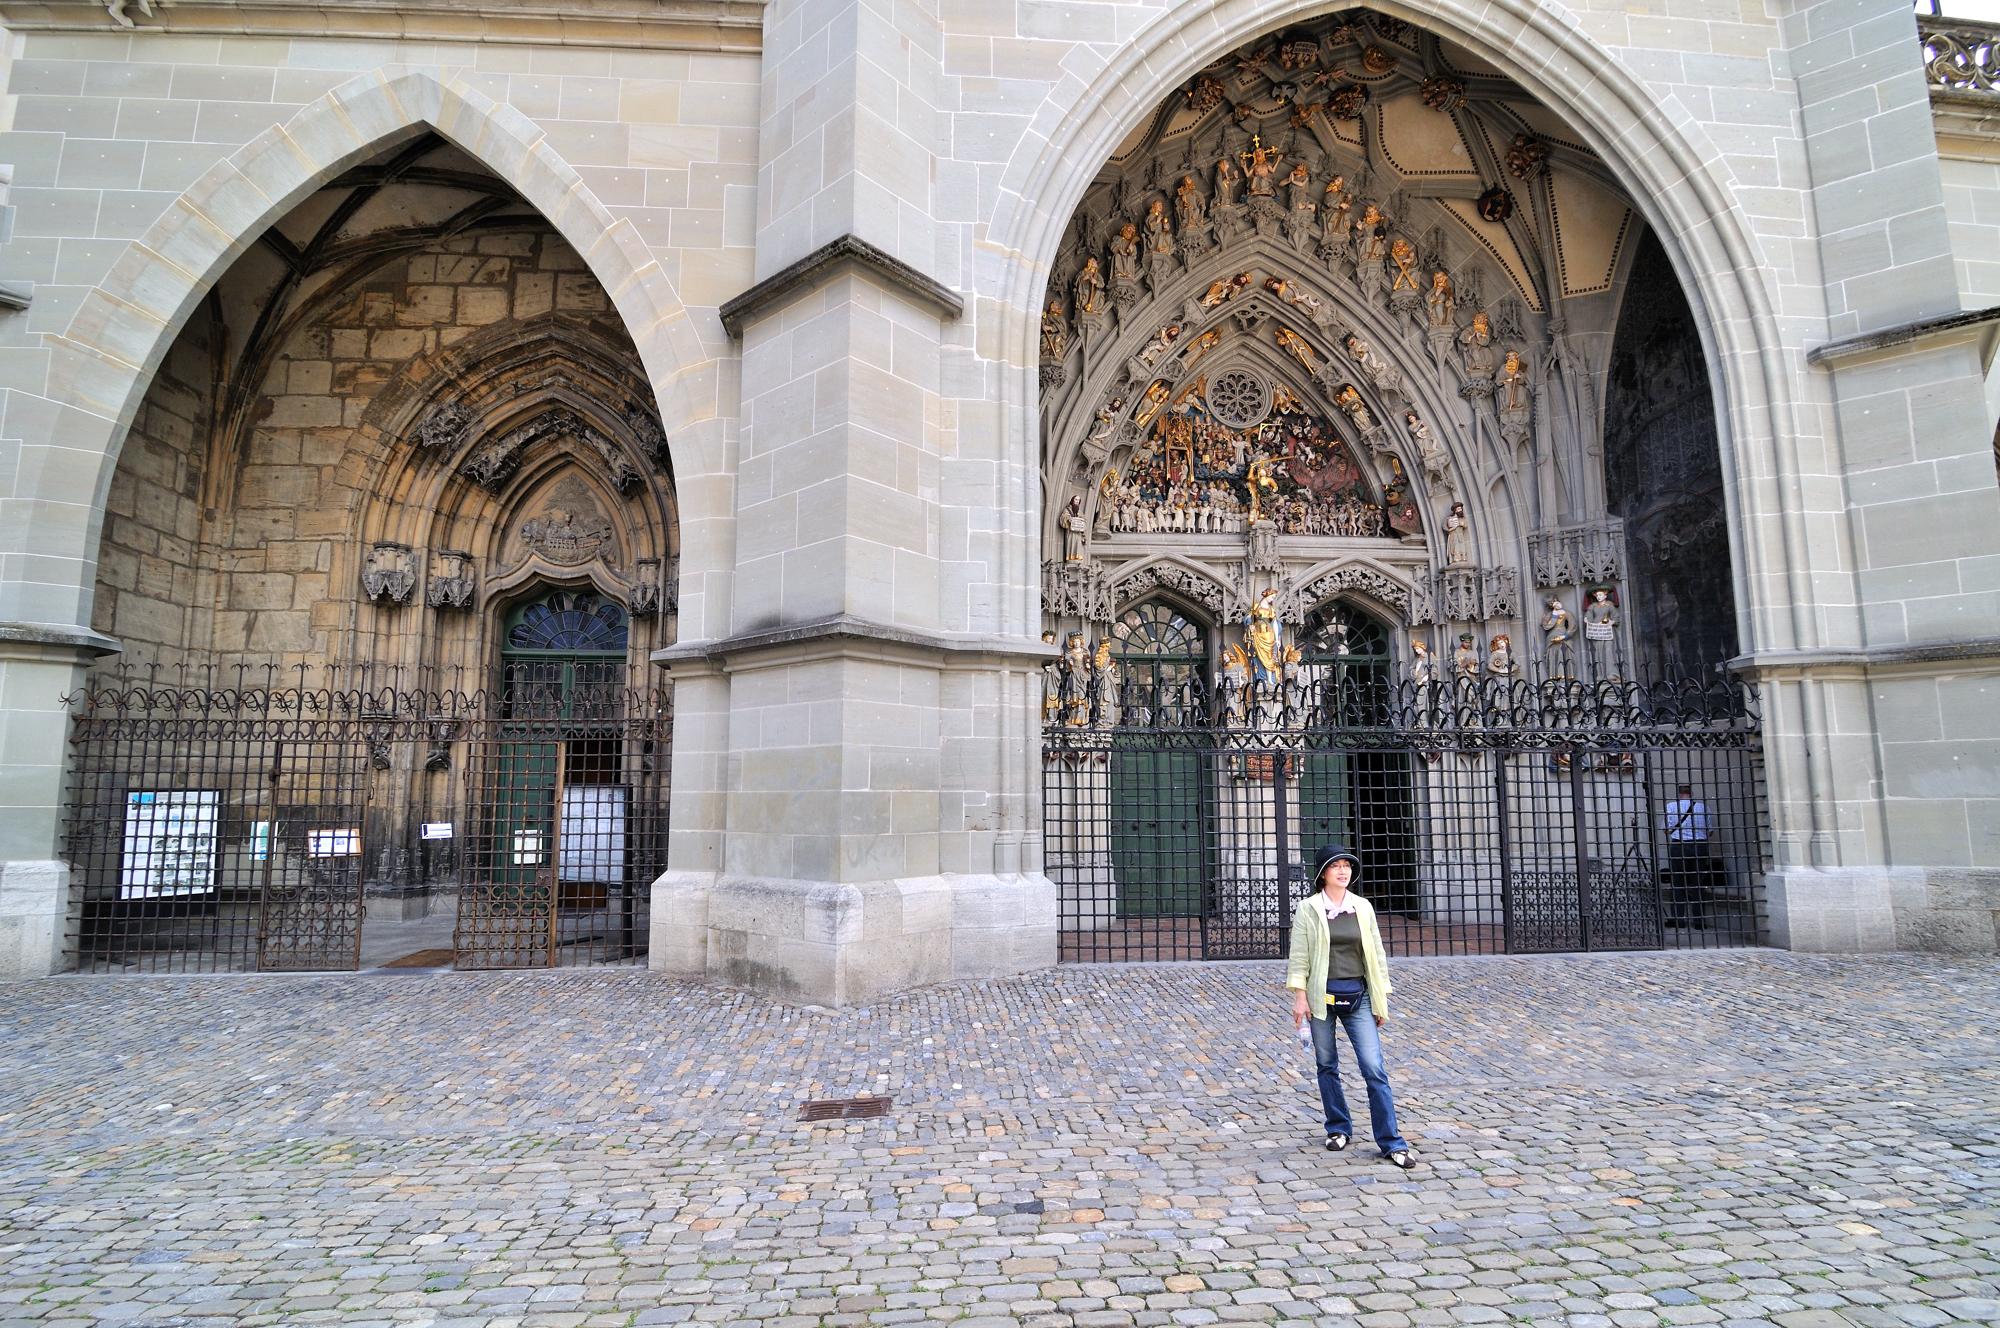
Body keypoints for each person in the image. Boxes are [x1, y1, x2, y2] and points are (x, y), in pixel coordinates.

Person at [1287, 845, 1415, 1169]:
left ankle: (1392, 1142)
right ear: (1322, 874)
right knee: (1326, 1064)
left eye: (1347, 865)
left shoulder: (1363, 907)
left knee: (1373, 1067)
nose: (1343, 871)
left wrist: (1381, 1000)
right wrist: (1300, 997)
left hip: (1359, 996)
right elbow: (1299, 957)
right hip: (1321, 997)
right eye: (1336, 866)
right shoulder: (1308, 909)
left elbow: (1377, 956)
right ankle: (1338, 1127)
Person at [1661, 783, 1712, 928]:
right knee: (1698, 884)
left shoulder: (1671, 807)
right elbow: (1710, 831)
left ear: (1679, 794)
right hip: (1699, 846)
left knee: (1677, 883)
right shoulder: (1703, 807)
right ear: (1691, 793)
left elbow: (1665, 829)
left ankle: (1679, 919)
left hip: (1679, 846)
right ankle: (1699, 921)